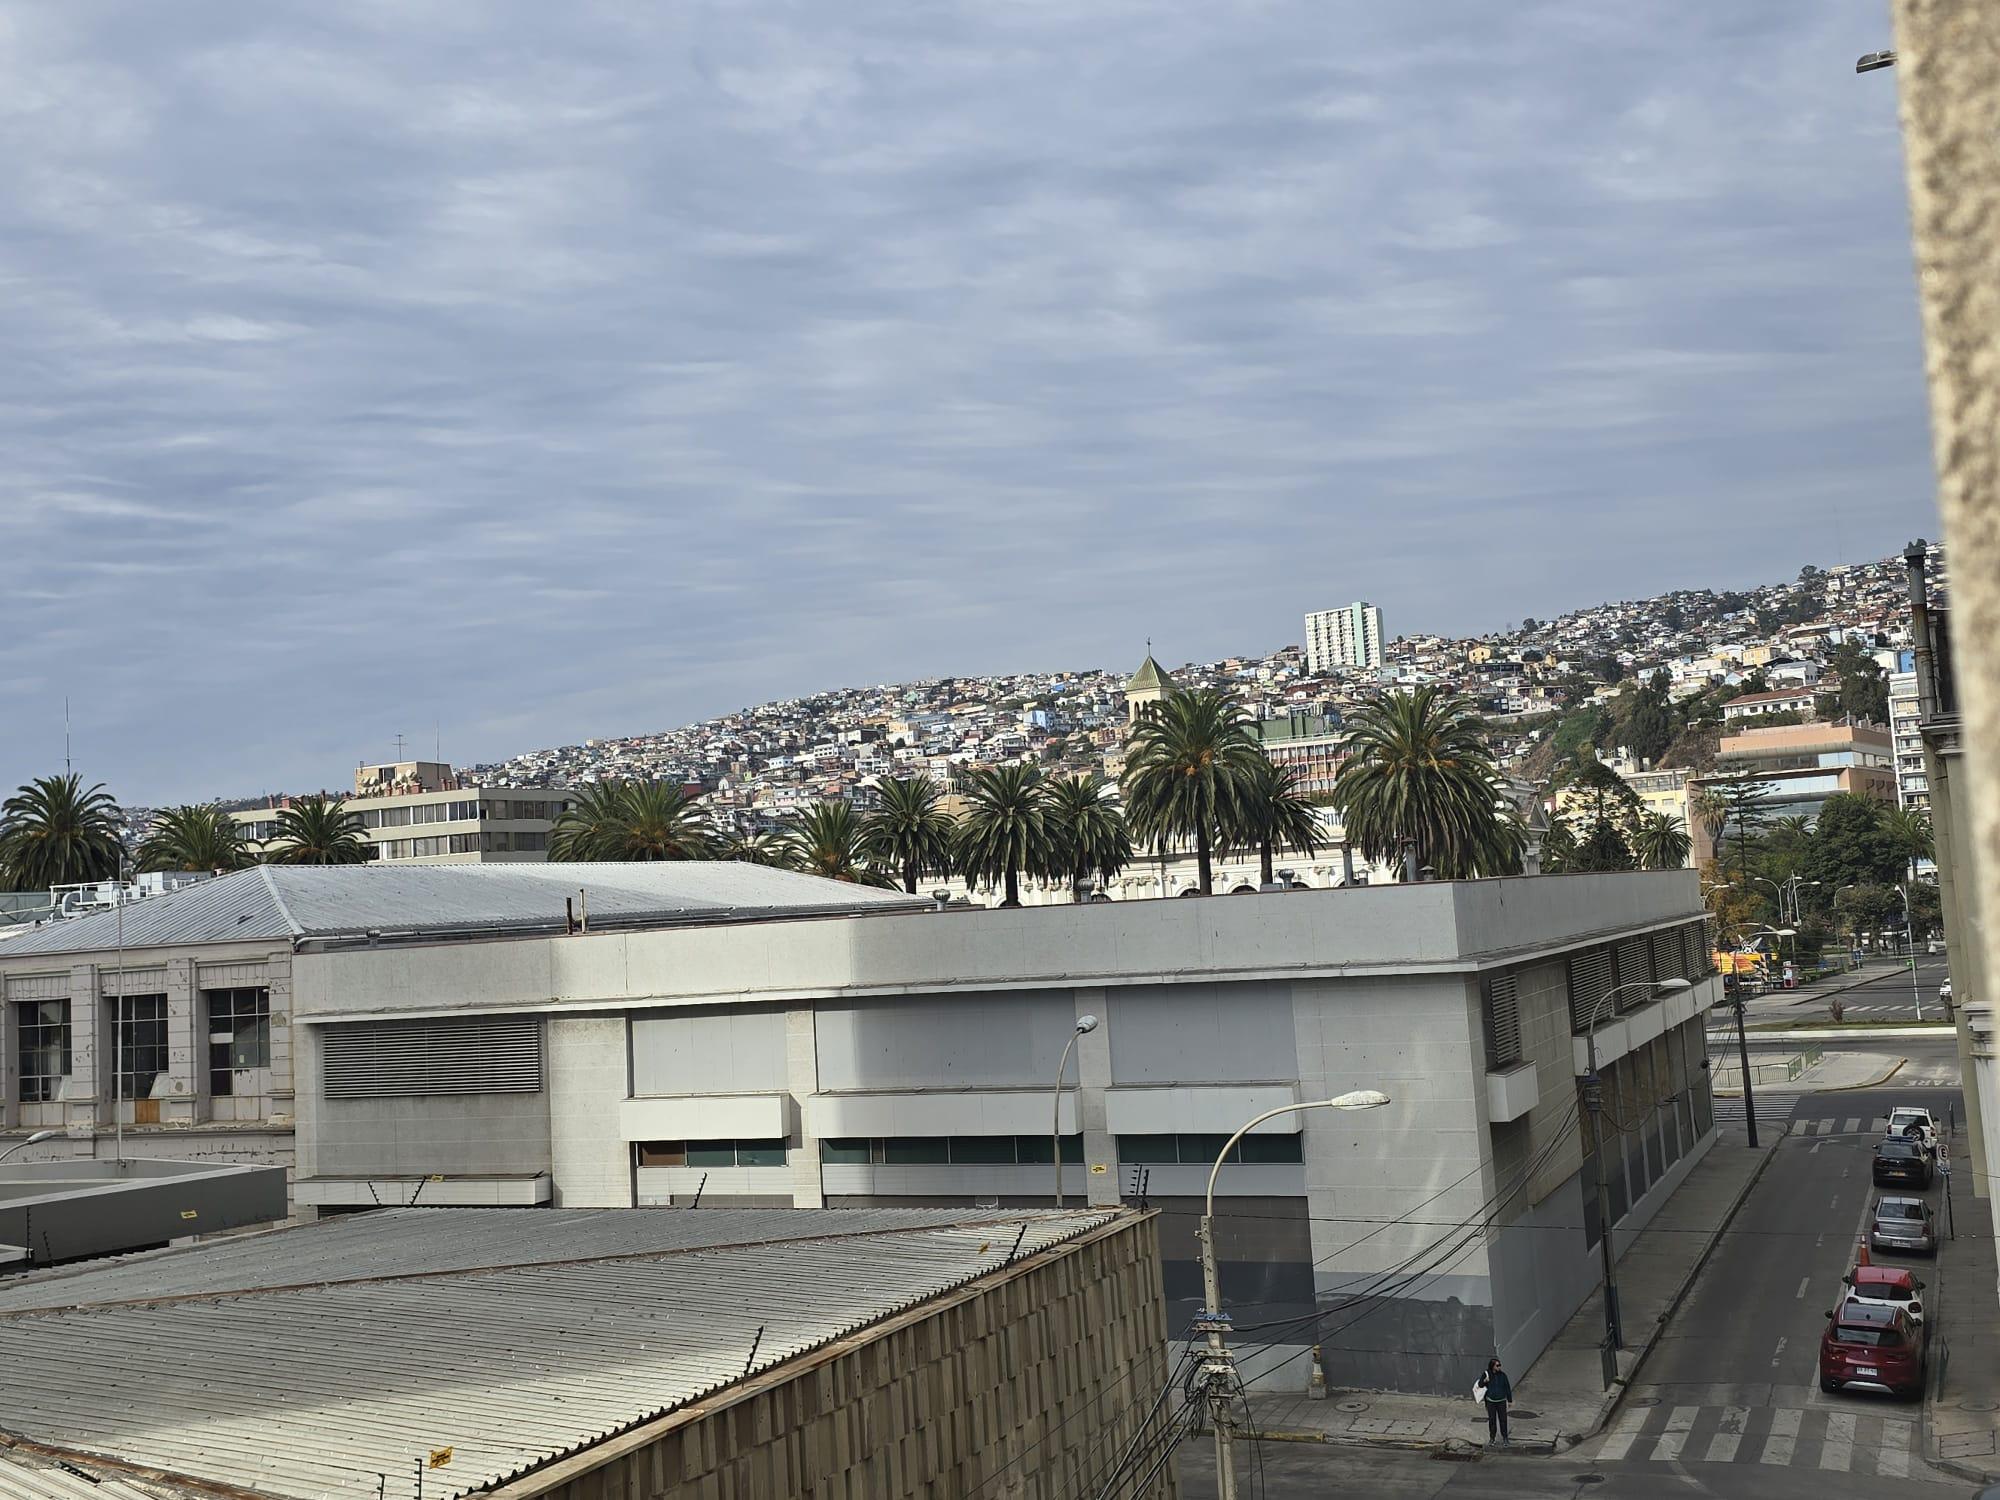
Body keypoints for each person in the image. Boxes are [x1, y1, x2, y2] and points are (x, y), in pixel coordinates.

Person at [1474, 1356, 1513, 1445]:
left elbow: (1507, 1387)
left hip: (1501, 1401)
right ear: (1493, 1366)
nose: (1499, 1367)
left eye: (1500, 1365)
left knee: (1503, 1420)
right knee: (1492, 1420)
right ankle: (1492, 1438)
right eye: (1497, 1365)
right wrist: (1485, 1380)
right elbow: (1480, 1385)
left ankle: (1505, 1438)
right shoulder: (1486, 1374)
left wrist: (1509, 1400)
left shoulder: (1503, 1375)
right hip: (1491, 1402)